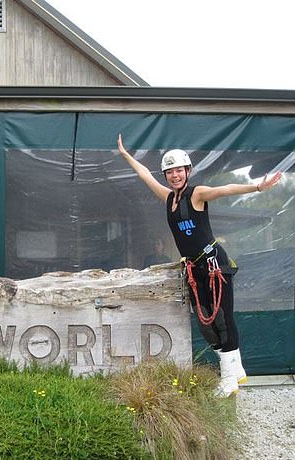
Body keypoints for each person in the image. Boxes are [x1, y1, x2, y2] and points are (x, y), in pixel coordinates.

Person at [117, 134, 282, 397]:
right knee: (206, 323)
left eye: (179, 170)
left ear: (188, 171)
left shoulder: (198, 194)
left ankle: (229, 379)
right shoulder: (168, 198)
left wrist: (258, 189)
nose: (175, 176)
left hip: (215, 262)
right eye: (170, 172)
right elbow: (145, 175)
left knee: (223, 319)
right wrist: (126, 155)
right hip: (193, 268)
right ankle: (236, 370)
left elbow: (225, 189)